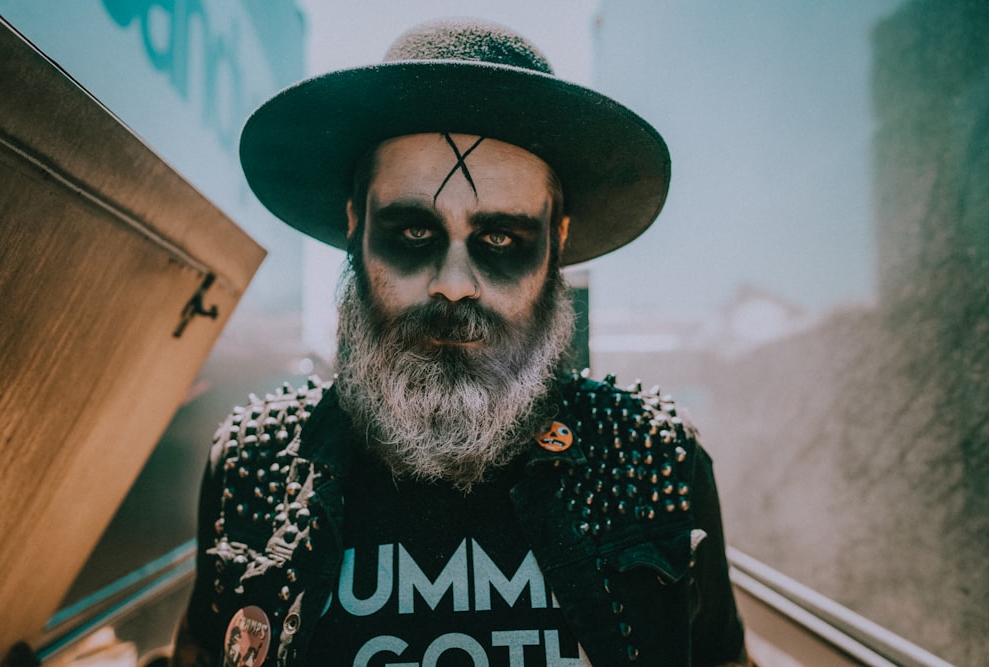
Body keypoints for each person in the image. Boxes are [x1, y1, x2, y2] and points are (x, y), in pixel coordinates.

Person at [172, 18, 753, 667]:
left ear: (554, 245)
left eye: (501, 239)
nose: (453, 284)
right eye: (414, 232)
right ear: (355, 227)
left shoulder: (654, 461)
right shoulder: (255, 465)